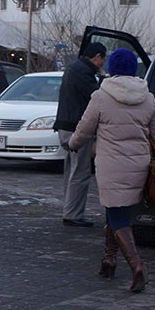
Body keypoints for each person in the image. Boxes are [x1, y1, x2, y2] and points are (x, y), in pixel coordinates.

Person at [68, 49, 155, 294]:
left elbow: (85, 128)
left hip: (111, 165)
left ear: (111, 67)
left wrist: (73, 144)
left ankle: (137, 266)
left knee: (117, 213)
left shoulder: (101, 96)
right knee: (117, 209)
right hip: (138, 165)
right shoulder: (148, 97)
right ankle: (108, 261)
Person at [53, 41, 107, 228]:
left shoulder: (74, 68)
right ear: (97, 56)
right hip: (77, 128)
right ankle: (73, 214)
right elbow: (96, 95)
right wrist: (103, 78)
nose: (102, 64)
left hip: (65, 125)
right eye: (102, 59)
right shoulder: (84, 72)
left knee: (71, 170)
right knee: (80, 172)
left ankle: (69, 211)